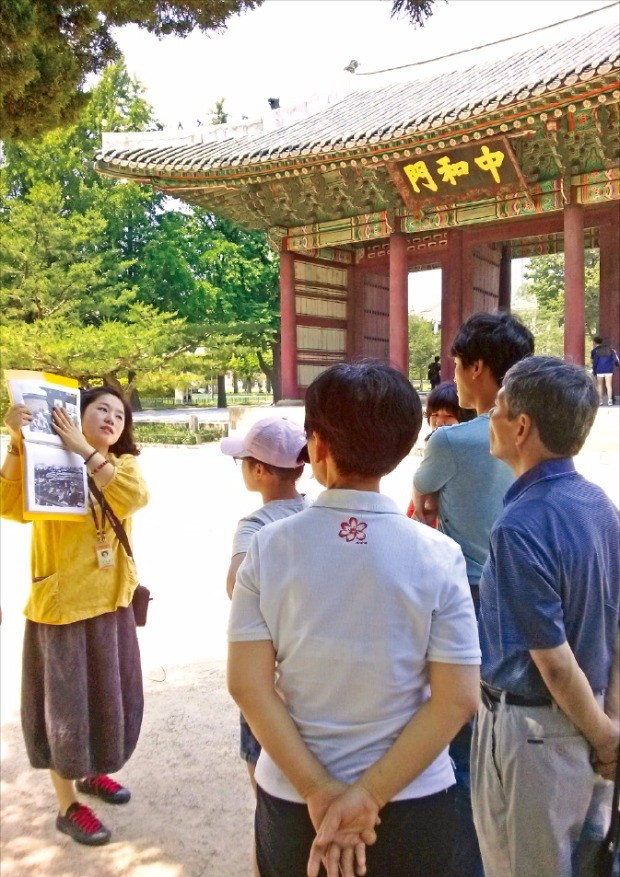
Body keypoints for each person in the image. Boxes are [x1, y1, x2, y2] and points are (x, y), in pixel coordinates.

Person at [227, 361, 481, 877]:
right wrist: (366, 796)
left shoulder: (269, 548)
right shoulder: (439, 554)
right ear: (402, 448)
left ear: (316, 447)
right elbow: (457, 697)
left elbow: (249, 686)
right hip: (411, 795)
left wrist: (320, 791)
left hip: (295, 798)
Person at [472, 356, 619, 877]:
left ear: (522, 426)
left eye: (496, 408)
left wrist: (606, 738)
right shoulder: (599, 505)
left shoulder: (519, 525)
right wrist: (609, 724)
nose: (489, 416)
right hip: (590, 716)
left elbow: (553, 663)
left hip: (533, 731)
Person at [412, 311, 534, 877]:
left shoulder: (452, 440)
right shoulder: (535, 433)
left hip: (468, 596)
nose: (452, 374)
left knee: (463, 736)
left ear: (478, 367)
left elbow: (421, 494)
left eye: (456, 364)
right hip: (529, 594)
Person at [1, 387, 148, 846]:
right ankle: (67, 806)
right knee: (64, 709)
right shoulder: (45, 465)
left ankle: (94, 773)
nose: (111, 419)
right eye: (100, 409)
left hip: (111, 605)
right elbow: (7, 505)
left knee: (106, 699)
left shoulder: (123, 467)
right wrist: (16, 440)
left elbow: (130, 496)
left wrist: (84, 450)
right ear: (72, 416)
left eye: (119, 415)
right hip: (61, 607)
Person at [220, 416, 310, 875]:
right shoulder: (318, 511)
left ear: (259, 472)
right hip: (310, 671)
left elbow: (237, 585)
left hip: (268, 674)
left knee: (270, 794)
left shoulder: (255, 525)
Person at [406, 381, 475, 520]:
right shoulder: (434, 440)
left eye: (448, 416)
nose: (439, 421)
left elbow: (421, 485)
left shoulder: (455, 444)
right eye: (435, 414)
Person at [590, 335, 619, 406]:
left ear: (595, 342)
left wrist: (594, 370)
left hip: (599, 370)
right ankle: (610, 401)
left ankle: (600, 401)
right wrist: (616, 365)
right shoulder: (611, 350)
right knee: (609, 385)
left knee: (599, 385)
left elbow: (594, 362)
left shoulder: (595, 351)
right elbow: (616, 360)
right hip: (609, 370)